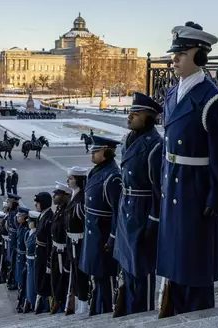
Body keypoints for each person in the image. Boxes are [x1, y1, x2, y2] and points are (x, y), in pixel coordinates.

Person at [157, 21, 218, 317]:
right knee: (175, 265)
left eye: (182, 52)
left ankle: (197, 319)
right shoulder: (171, 94)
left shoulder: (213, 99)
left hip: (195, 191)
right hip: (174, 188)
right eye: (174, 53)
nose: (174, 59)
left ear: (200, 56)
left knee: (195, 268)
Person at [113, 92, 163, 317]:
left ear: (149, 117)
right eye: (130, 112)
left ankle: (142, 315)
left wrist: (153, 221)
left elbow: (158, 190)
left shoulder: (155, 146)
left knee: (142, 270)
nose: (130, 116)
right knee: (128, 268)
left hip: (142, 212)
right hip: (127, 210)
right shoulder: (130, 140)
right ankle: (130, 312)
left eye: (136, 113)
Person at [80, 135, 123, 315]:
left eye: (96, 151)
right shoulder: (96, 172)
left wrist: (112, 239)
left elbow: (117, 212)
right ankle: (96, 309)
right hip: (93, 236)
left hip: (103, 238)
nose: (92, 154)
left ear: (106, 153)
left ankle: (106, 311)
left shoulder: (112, 178)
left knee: (106, 280)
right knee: (96, 280)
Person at [64, 166, 90, 315]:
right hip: (72, 242)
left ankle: (84, 303)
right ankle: (80, 301)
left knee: (80, 274)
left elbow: (85, 223)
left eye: (71, 178)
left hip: (79, 242)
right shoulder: (74, 195)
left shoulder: (81, 199)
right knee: (75, 273)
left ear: (79, 180)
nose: (68, 181)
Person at [49, 182, 72, 314]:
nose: (54, 197)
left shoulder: (66, 211)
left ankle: (62, 304)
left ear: (65, 196)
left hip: (63, 253)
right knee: (56, 279)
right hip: (56, 251)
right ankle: (57, 301)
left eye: (57, 194)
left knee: (61, 281)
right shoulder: (59, 210)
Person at [33, 191, 54, 314]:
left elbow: (49, 242)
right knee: (39, 280)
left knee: (45, 282)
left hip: (44, 254)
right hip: (39, 253)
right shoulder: (42, 216)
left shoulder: (49, 218)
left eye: (38, 202)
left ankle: (48, 307)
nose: (36, 204)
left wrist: (48, 262)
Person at [24, 210, 40, 313]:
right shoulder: (28, 233)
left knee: (32, 283)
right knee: (29, 283)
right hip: (28, 261)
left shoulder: (35, 234)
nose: (29, 223)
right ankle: (30, 301)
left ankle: (34, 302)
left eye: (30, 221)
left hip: (33, 261)